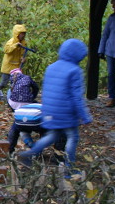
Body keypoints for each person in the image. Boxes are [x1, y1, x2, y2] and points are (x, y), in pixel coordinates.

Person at [19, 39, 93, 170]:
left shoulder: (51, 67)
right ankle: (69, 168)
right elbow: (77, 97)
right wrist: (85, 116)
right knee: (72, 137)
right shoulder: (75, 71)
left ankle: (29, 154)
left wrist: (46, 111)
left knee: (52, 135)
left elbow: (46, 91)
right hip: (67, 113)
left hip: (50, 112)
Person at [0, 24, 28, 106]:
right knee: (3, 84)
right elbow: (6, 50)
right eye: (21, 33)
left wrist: (24, 59)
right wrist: (15, 45)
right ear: (17, 33)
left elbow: (23, 54)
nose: (23, 35)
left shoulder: (24, 43)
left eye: (24, 33)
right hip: (8, 66)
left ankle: (12, 102)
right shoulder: (10, 42)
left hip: (17, 67)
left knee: (16, 85)